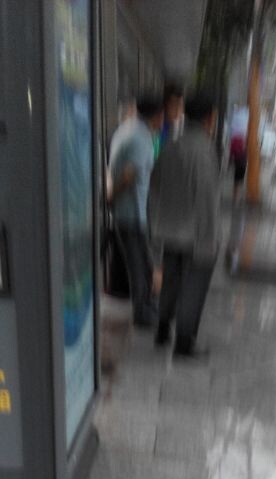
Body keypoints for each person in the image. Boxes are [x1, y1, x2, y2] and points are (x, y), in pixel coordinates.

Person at [148, 93, 220, 360]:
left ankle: (162, 329)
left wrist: (156, 225)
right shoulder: (204, 151)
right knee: (193, 286)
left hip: (168, 228)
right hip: (195, 233)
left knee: (171, 281)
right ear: (210, 118)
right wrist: (209, 239)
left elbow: (155, 187)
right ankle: (184, 342)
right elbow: (206, 197)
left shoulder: (170, 145)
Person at [110, 95, 164, 328]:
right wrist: (110, 196)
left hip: (126, 211)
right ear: (158, 115)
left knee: (132, 263)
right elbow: (129, 175)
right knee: (139, 266)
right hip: (133, 212)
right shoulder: (141, 137)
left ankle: (135, 305)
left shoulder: (126, 129)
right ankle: (142, 313)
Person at [160, 82, 185, 152]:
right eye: (174, 106)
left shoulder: (184, 126)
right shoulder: (159, 127)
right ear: (165, 106)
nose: (177, 111)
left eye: (180, 106)